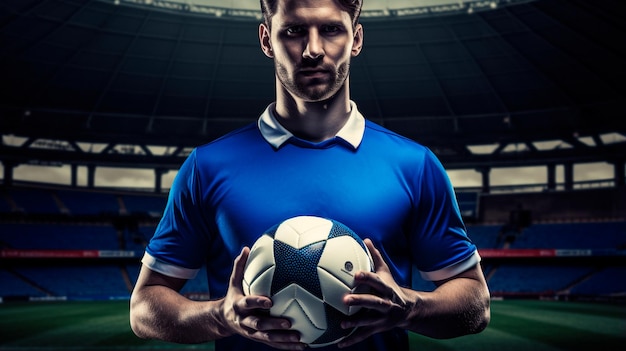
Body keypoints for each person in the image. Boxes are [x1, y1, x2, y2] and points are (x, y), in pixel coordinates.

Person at [129, 0, 490, 350]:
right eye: (294, 31)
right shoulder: (207, 167)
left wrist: (409, 308)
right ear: (267, 40)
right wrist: (220, 316)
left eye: (331, 29)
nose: (313, 49)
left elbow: (476, 303)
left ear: (357, 39)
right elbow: (143, 309)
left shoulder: (415, 165)